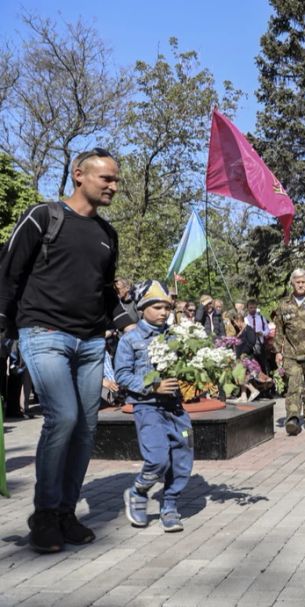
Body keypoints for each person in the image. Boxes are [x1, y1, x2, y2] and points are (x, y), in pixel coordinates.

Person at [0, 147, 132, 552]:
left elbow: (107, 295)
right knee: (64, 417)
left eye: (115, 179)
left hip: (92, 343)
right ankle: (43, 515)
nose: (113, 185)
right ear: (79, 175)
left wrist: (132, 326)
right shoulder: (44, 217)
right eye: (105, 178)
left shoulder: (107, 235)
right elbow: (8, 271)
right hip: (44, 334)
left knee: (87, 427)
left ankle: (64, 513)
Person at [116, 281, 193, 532]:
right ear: (142, 308)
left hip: (175, 408)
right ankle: (139, 491)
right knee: (158, 458)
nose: (164, 312)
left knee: (182, 456)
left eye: (167, 308)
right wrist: (153, 387)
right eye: (157, 307)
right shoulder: (131, 339)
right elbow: (123, 376)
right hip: (147, 407)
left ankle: (169, 506)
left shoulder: (176, 337)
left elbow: (187, 368)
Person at [272, 269, 305, 434]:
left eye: (303, 282)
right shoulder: (284, 305)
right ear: (292, 283)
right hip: (291, 353)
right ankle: (292, 417)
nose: (300, 284)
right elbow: (279, 330)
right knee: (293, 385)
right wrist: (278, 351)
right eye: (297, 282)